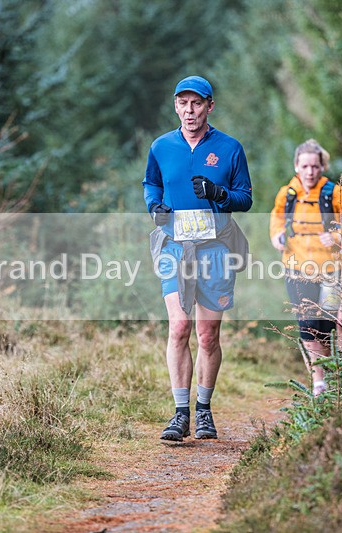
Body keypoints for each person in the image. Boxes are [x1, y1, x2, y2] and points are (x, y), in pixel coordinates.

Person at [143, 75, 252, 441]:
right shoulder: (161, 146)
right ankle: (179, 415)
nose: (189, 111)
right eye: (183, 103)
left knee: (207, 334)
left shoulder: (230, 148)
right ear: (175, 106)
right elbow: (151, 184)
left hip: (216, 248)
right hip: (174, 245)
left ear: (209, 106)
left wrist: (219, 192)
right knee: (179, 327)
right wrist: (153, 206)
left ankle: (204, 411)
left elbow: (245, 198)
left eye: (197, 104)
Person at [269, 139, 342, 397]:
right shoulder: (286, 193)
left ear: (322, 167)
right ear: (296, 166)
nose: (310, 172)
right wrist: (277, 235)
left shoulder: (335, 193)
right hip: (296, 268)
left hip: (330, 271)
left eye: (315, 166)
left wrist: (335, 237)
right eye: (305, 166)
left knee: (327, 326)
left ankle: (337, 376)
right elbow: (276, 219)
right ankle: (318, 383)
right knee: (307, 326)